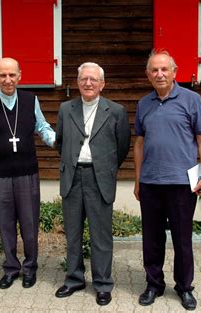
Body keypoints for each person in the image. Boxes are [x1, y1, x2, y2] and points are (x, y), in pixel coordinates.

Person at [133, 49, 201, 310]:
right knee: (151, 239)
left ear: (174, 72)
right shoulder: (144, 104)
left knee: (182, 239)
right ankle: (154, 284)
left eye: (164, 69)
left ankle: (184, 287)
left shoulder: (191, 100)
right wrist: (137, 180)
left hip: (182, 184)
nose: (159, 74)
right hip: (151, 183)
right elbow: (139, 143)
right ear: (147, 75)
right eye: (154, 70)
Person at [0, 57, 55, 289]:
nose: (8, 80)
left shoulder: (30, 100)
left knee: (29, 224)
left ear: (20, 76)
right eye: (2, 75)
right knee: (5, 225)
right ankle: (11, 268)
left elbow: (42, 126)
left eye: (12, 75)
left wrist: (57, 141)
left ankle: (30, 268)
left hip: (27, 174)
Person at [55, 62, 131, 306]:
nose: (88, 83)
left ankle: (103, 284)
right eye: (83, 79)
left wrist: (104, 168)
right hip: (72, 177)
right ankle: (74, 279)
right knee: (73, 233)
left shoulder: (116, 111)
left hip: (99, 179)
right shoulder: (66, 109)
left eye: (93, 79)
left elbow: (122, 147)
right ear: (77, 83)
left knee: (101, 235)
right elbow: (60, 141)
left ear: (102, 84)